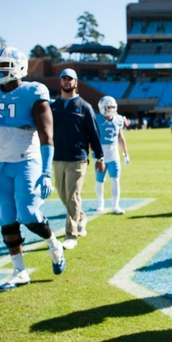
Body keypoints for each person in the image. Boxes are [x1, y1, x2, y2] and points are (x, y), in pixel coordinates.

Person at [0, 47, 66, 291]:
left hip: (26, 161)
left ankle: (54, 243)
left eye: (5, 66)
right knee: (7, 218)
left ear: (19, 67)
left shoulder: (33, 92)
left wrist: (45, 172)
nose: (0, 71)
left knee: (29, 214)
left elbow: (47, 137)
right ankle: (19, 271)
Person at [51, 68, 104, 250]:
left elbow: (94, 134)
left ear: (76, 82)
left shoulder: (84, 107)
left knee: (73, 196)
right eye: (64, 78)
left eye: (70, 79)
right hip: (58, 157)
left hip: (77, 159)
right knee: (63, 195)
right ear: (61, 82)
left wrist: (100, 157)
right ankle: (80, 217)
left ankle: (71, 234)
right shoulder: (54, 106)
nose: (66, 81)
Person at [94, 96, 130, 215]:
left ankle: (115, 205)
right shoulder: (97, 118)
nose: (110, 109)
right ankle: (100, 203)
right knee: (100, 180)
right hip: (100, 155)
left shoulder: (119, 119)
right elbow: (91, 138)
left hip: (114, 154)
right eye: (108, 107)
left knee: (115, 180)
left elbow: (121, 137)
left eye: (112, 107)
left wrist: (125, 154)